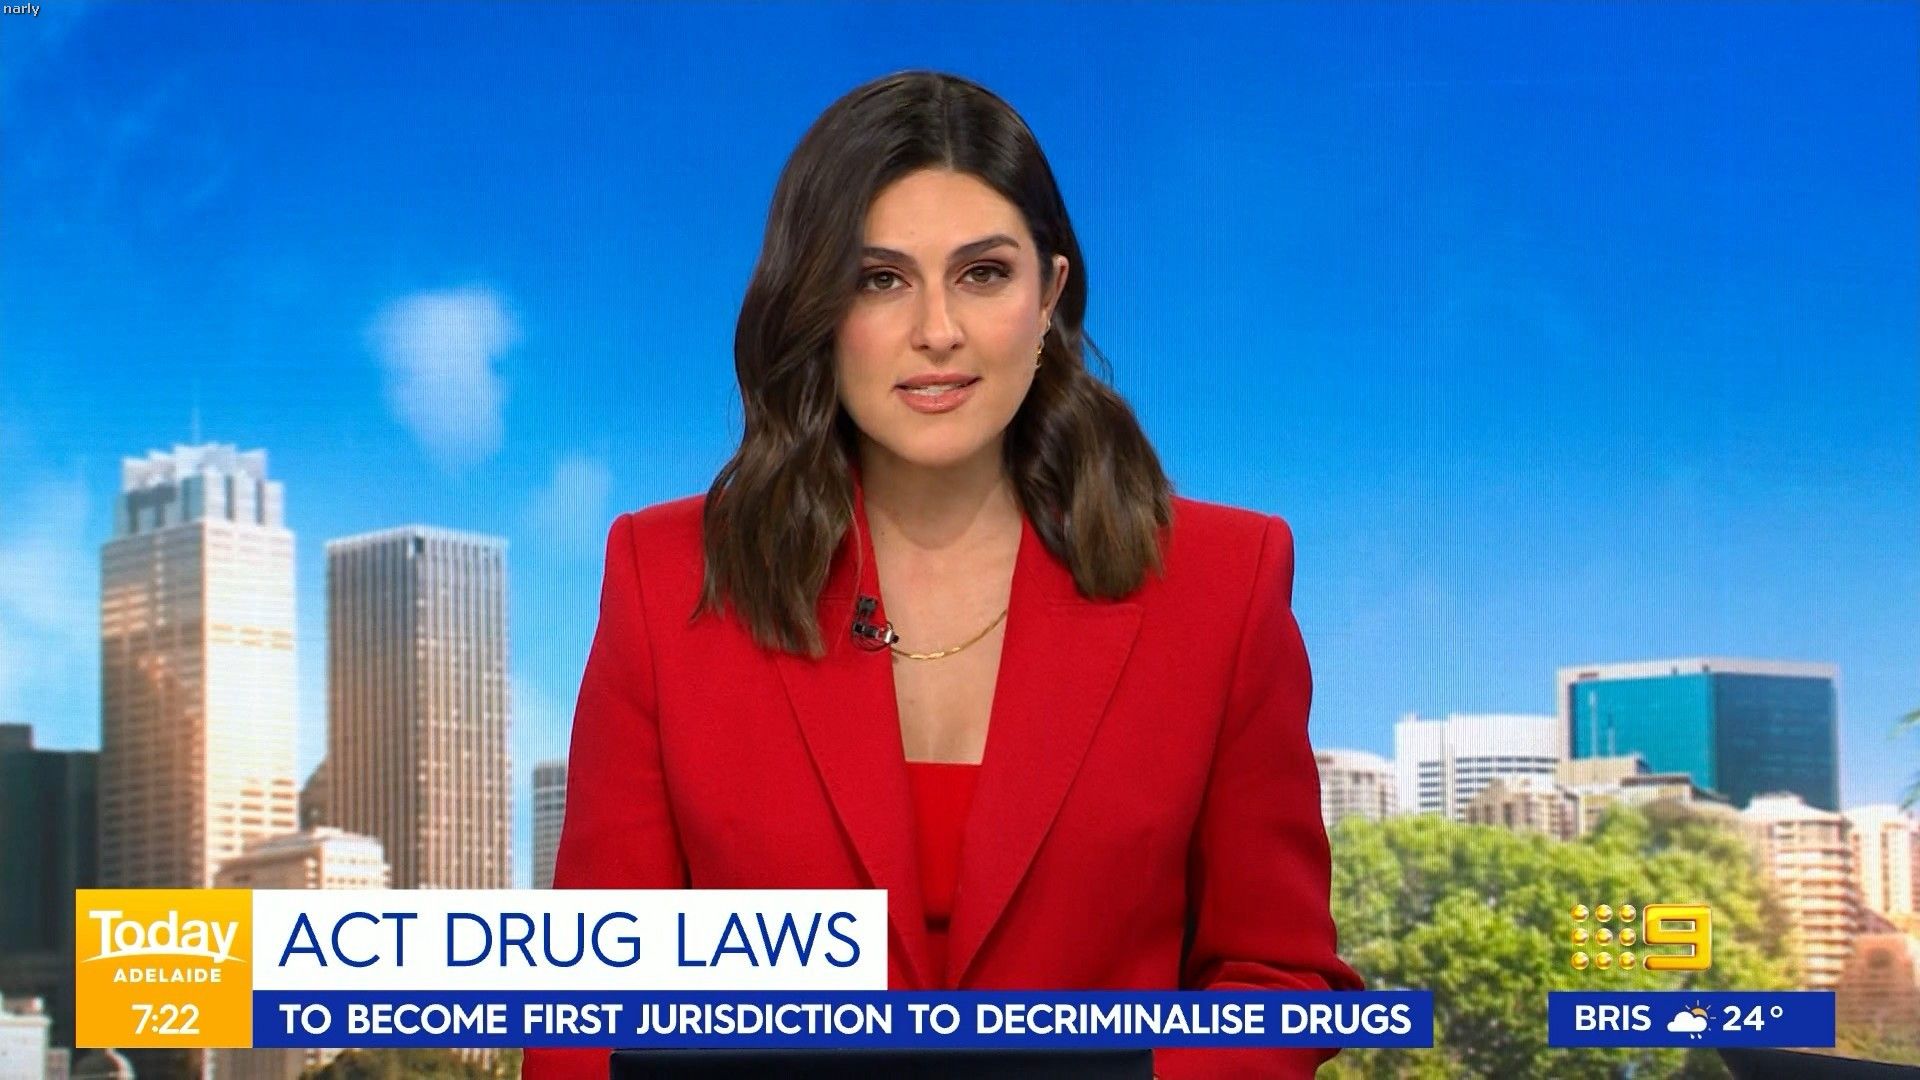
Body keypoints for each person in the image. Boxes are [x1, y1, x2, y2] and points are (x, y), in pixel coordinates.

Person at [522, 69, 1362, 1080]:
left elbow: (1277, 983)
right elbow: (590, 1019)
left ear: (1049, 296)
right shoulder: (664, 580)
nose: (937, 330)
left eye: (983, 274)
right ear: (815, 308)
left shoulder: (1224, 582)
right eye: (880, 280)